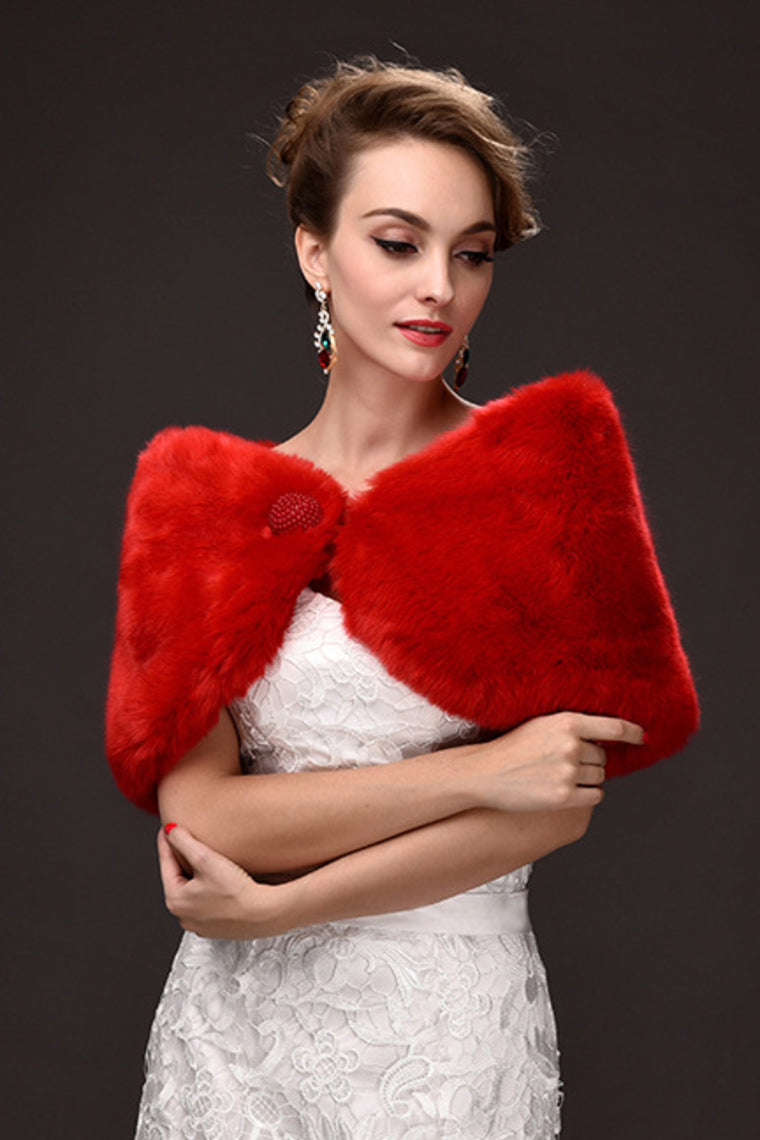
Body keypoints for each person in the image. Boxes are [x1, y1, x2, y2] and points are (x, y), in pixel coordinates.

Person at [106, 57, 698, 1139]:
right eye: (397, 243)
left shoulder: (551, 469)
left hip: (442, 1033)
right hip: (234, 1041)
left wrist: (280, 906)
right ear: (314, 252)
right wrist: (480, 774)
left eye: (471, 254)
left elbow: (557, 803)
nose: (440, 287)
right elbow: (203, 815)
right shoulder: (201, 499)